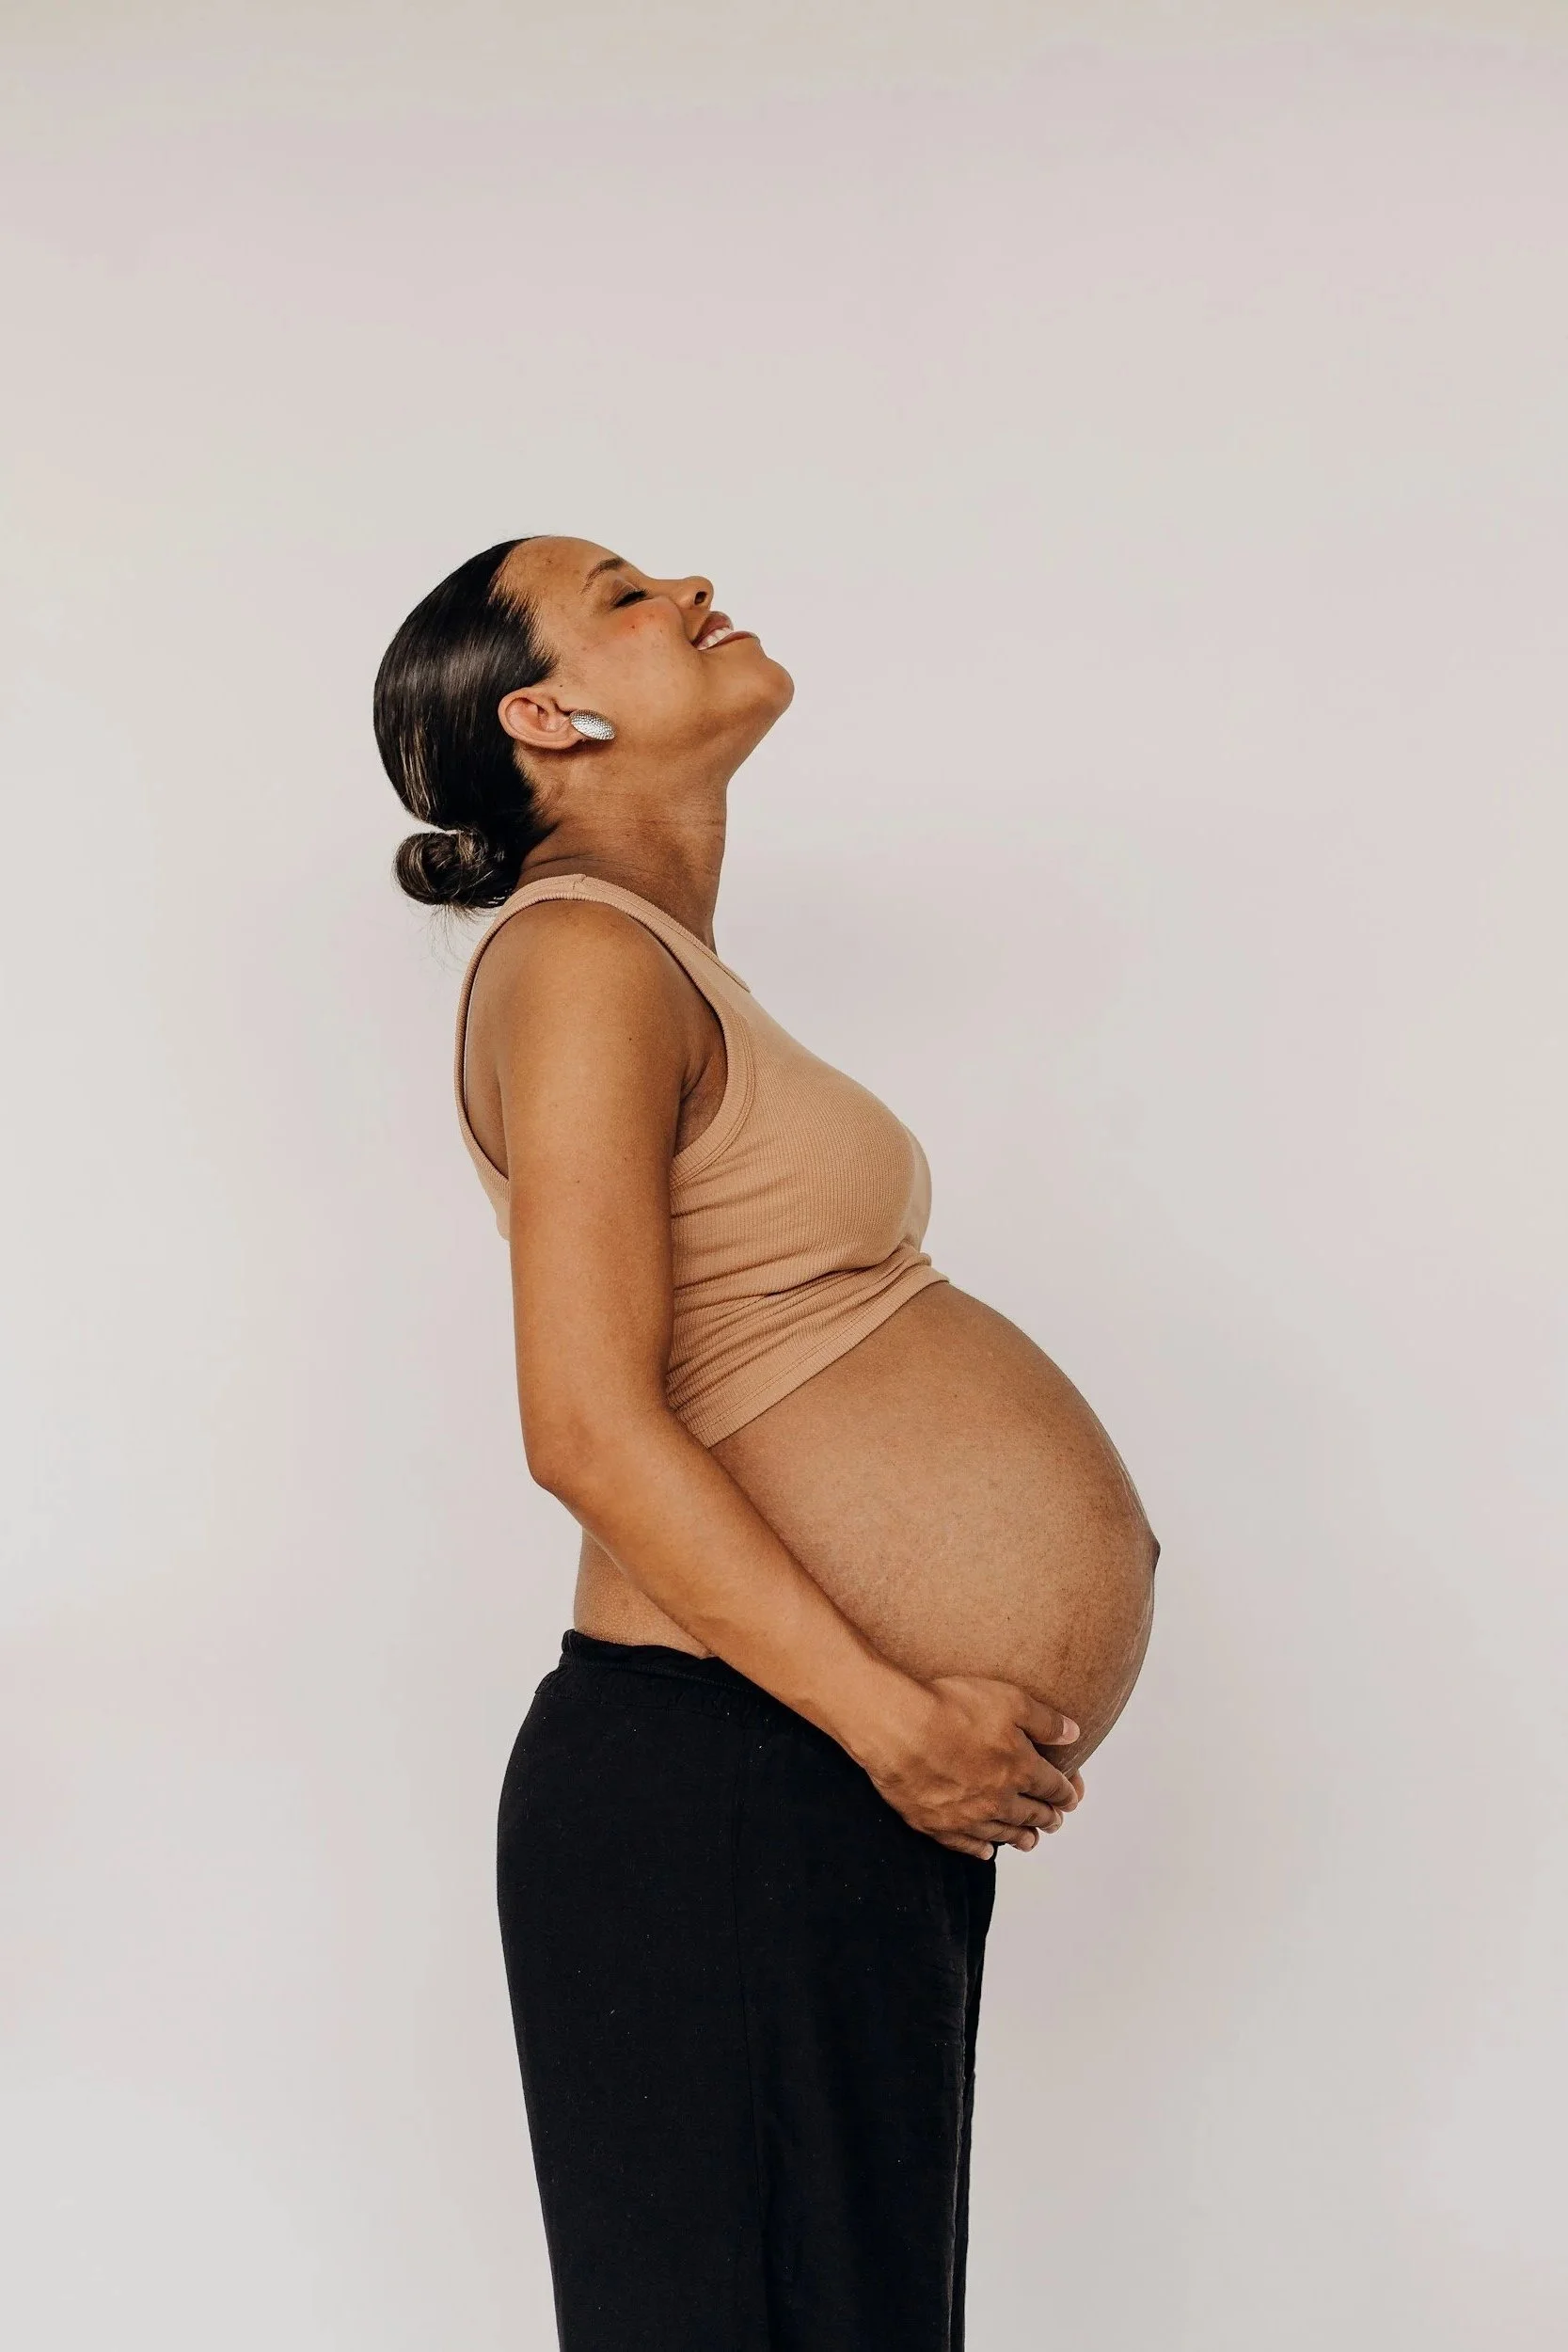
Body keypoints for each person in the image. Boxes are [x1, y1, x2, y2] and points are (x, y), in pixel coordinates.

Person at [372, 536, 1159, 2352]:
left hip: (816, 1778)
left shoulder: (654, 968)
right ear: (546, 715)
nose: (692, 584)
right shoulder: (580, 960)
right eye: (626, 592)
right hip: (739, 1769)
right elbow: (578, 1421)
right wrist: (895, 1721)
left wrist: (901, 1742)